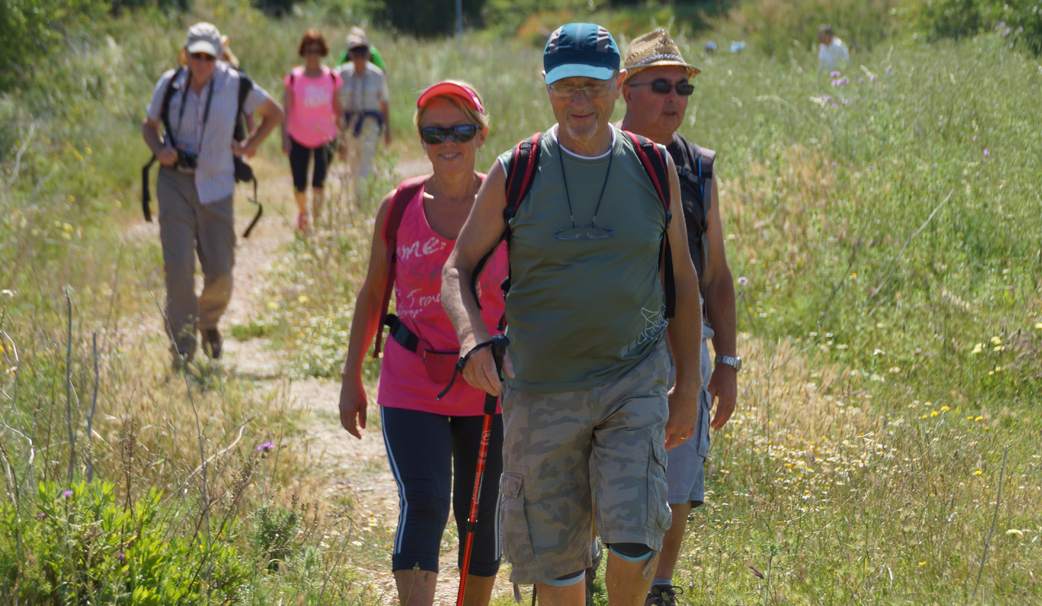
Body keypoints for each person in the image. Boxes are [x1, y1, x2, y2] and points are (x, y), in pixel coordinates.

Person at [442, 23, 704, 606]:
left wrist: (688, 387)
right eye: (565, 88)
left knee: (635, 539)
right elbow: (456, 268)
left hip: (632, 382)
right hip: (540, 392)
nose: (579, 101)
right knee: (557, 568)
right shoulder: (521, 168)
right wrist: (473, 341)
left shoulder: (654, 165)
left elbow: (684, 278)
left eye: (592, 86)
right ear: (547, 88)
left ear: (617, 85)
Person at [336, 81, 506, 606]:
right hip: (411, 378)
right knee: (426, 500)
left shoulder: (505, 205)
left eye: (460, 131)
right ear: (422, 139)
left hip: (490, 384)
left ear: (480, 134)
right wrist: (350, 379)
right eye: (435, 133)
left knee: (480, 514)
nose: (448, 143)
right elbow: (372, 293)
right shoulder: (400, 204)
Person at [617, 28, 739, 606]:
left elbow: (716, 273)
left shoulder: (699, 167)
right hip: (611, 339)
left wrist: (729, 364)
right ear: (626, 90)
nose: (674, 98)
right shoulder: (598, 157)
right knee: (608, 461)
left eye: (683, 87)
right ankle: (607, 574)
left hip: (683, 341)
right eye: (660, 85)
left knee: (680, 467)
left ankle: (659, 587)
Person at [141, 22, 283, 364]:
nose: (202, 61)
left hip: (217, 182)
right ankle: (183, 347)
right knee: (178, 267)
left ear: (217, 54)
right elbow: (149, 125)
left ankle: (207, 321)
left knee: (221, 270)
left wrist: (249, 145)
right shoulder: (170, 83)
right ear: (187, 54)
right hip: (174, 181)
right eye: (196, 55)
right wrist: (160, 149)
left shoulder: (235, 83)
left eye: (208, 54)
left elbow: (274, 114)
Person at [282, 29, 343, 231]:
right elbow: (286, 111)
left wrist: (342, 140)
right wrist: (284, 137)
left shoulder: (332, 78)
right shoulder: (293, 78)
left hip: (326, 138)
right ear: (304, 52)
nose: (313, 54)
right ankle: (303, 213)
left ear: (322, 52)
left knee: (319, 183)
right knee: (299, 183)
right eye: (309, 50)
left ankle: (316, 221)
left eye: (317, 50)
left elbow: (338, 111)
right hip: (297, 136)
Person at [336, 28, 391, 192]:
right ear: (350, 55)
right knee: (353, 161)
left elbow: (384, 102)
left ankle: (362, 201)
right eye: (355, 54)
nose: (359, 58)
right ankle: (360, 193)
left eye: (362, 54)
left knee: (366, 160)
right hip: (349, 124)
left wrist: (387, 130)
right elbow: (337, 103)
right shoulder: (341, 73)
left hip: (370, 123)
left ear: (368, 54)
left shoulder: (377, 74)